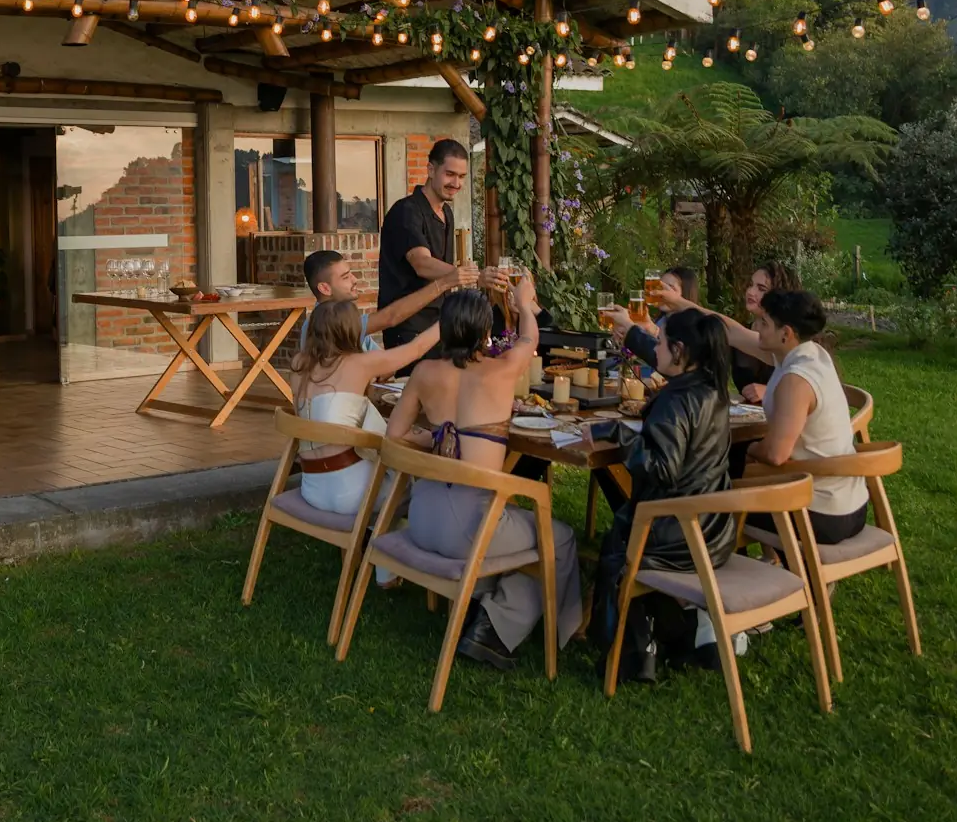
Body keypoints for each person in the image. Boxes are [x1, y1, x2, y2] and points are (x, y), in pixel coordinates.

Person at [386, 278, 584, 671]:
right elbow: (529, 339)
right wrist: (524, 304)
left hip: (423, 518)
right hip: (472, 527)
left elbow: (395, 434)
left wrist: (440, 440)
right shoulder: (502, 368)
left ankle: (483, 608)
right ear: (487, 332)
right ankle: (502, 630)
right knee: (558, 539)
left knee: (517, 540)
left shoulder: (424, 372)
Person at [590, 309, 739, 682]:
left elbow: (662, 469)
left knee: (616, 547)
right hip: (714, 531)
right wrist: (632, 332)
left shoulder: (675, 403)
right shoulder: (712, 386)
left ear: (680, 350)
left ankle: (631, 652)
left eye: (659, 342)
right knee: (625, 528)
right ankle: (675, 634)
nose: (655, 347)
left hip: (676, 537)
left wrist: (619, 435)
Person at [289, 299, 441, 518]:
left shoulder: (298, 364)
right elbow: (415, 349)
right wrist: (445, 322)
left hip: (312, 489)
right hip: (353, 494)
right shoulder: (359, 363)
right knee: (418, 480)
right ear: (351, 330)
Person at [744, 289, 868, 544]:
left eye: (763, 323)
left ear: (786, 333)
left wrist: (751, 449)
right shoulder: (813, 355)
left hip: (820, 512)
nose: (755, 327)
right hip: (850, 504)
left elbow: (776, 454)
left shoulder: (796, 380)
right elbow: (731, 332)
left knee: (717, 500)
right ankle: (793, 571)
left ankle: (774, 578)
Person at [653, 260, 800, 402]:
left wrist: (770, 391)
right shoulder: (747, 329)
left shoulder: (788, 341)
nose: (750, 291)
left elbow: (802, 388)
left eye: (761, 288)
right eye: (751, 285)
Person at [375, 138, 470, 355]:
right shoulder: (406, 211)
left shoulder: (446, 212)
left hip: (439, 324)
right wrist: (469, 275)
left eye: (461, 177)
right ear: (430, 169)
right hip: (407, 327)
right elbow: (422, 263)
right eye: (450, 174)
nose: (456, 183)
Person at [299, 248, 477, 355]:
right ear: (324, 288)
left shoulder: (345, 318)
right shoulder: (326, 325)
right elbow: (390, 317)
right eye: (345, 277)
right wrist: (445, 283)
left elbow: (381, 361)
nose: (355, 280)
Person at [604, 265, 699, 367]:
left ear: (685, 294)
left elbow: (672, 362)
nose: (661, 292)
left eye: (669, 288)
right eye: (659, 286)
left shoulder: (694, 328)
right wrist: (622, 341)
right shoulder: (661, 321)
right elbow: (629, 358)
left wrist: (631, 328)